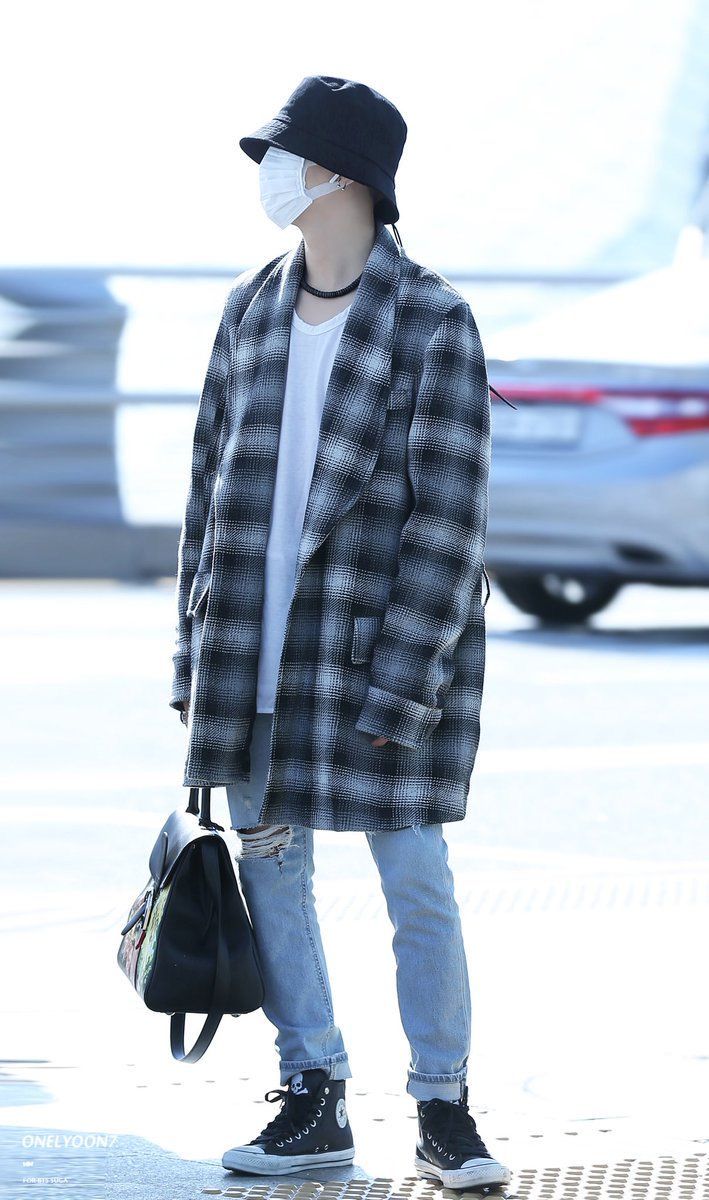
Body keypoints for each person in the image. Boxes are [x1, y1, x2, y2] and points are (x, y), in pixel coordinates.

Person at [171, 75, 510, 1190]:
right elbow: (205, 500)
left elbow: (449, 524)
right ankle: (311, 1092)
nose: (271, 175)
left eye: (289, 156)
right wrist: (193, 657)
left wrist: (401, 688)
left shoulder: (432, 321)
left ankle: (444, 1107)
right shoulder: (251, 308)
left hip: (375, 660)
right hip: (252, 655)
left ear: (344, 176)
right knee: (274, 875)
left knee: (414, 878)